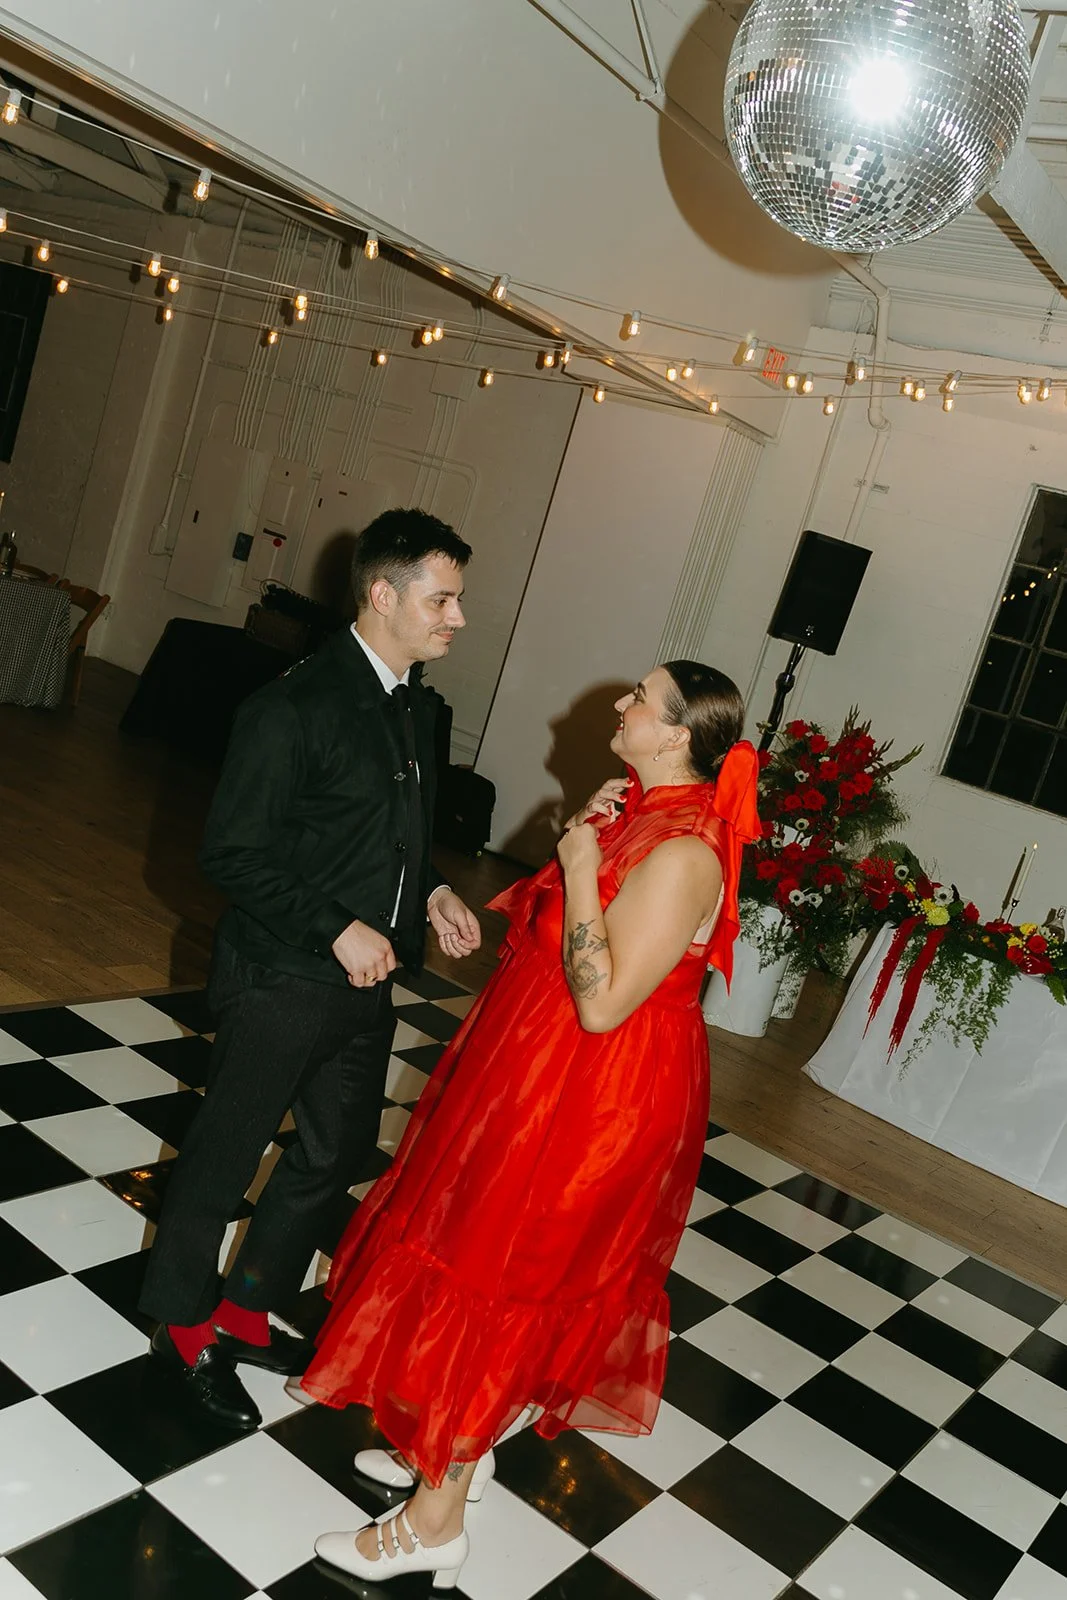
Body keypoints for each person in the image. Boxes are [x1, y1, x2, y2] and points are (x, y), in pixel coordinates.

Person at [303, 660, 759, 1589]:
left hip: (597, 1094)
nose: (621, 703)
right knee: (469, 1245)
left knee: (504, 1276)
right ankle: (454, 1449)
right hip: (538, 1069)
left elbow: (602, 1003)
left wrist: (581, 867)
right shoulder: (635, 808)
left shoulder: (684, 854)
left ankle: (435, 1522)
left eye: (641, 696)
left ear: (675, 735)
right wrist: (591, 840)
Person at [140, 508, 482, 1430]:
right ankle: (178, 1325)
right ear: (382, 594)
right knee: (223, 1155)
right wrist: (337, 927)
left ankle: (248, 1304)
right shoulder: (289, 705)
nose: (457, 617)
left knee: (333, 1154)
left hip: (365, 978)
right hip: (284, 972)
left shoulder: (417, 705)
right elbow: (233, 854)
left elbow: (381, 834)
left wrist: (433, 892)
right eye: (441, 598)